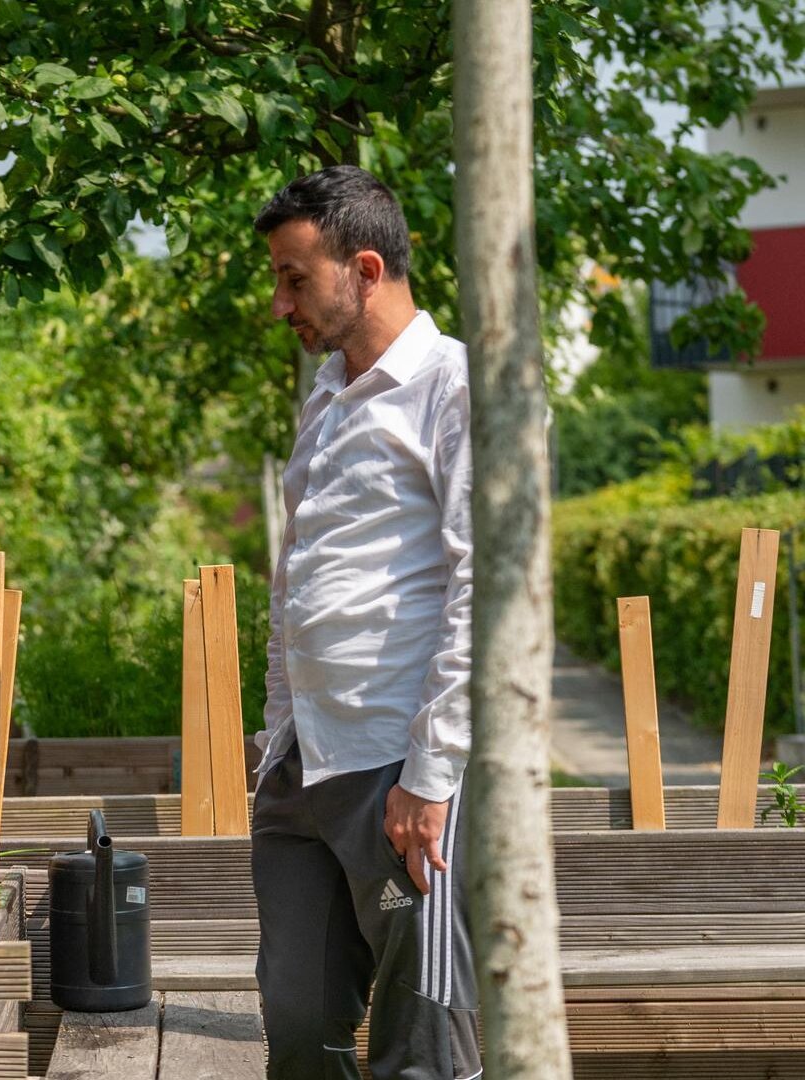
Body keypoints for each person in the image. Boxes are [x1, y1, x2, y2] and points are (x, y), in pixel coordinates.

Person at [250, 166, 479, 1079]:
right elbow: (297, 576)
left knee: (419, 1047)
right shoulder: (327, 397)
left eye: (294, 278)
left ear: (367, 268)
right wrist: (275, 735)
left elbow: (481, 582)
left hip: (397, 772)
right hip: (303, 763)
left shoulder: (456, 387)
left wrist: (431, 776)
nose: (279, 304)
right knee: (299, 1029)